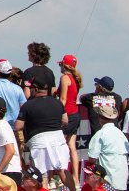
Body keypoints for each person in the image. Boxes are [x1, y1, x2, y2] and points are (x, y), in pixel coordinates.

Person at [15, 78, 70, 190]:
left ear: (35, 89)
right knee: (62, 171)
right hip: (58, 139)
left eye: (31, 88)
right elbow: (65, 121)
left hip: (39, 141)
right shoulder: (57, 102)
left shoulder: (28, 105)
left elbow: (18, 126)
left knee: (41, 175)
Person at [88, 105, 129, 191]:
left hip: (108, 181)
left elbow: (92, 158)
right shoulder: (121, 134)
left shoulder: (100, 134)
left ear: (99, 117)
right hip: (122, 181)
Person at [56, 54, 82, 186]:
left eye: (60, 64)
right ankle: (76, 178)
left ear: (64, 65)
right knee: (72, 146)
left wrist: (61, 113)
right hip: (76, 114)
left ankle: (61, 174)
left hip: (68, 114)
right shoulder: (75, 79)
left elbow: (63, 98)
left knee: (60, 145)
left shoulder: (65, 77)